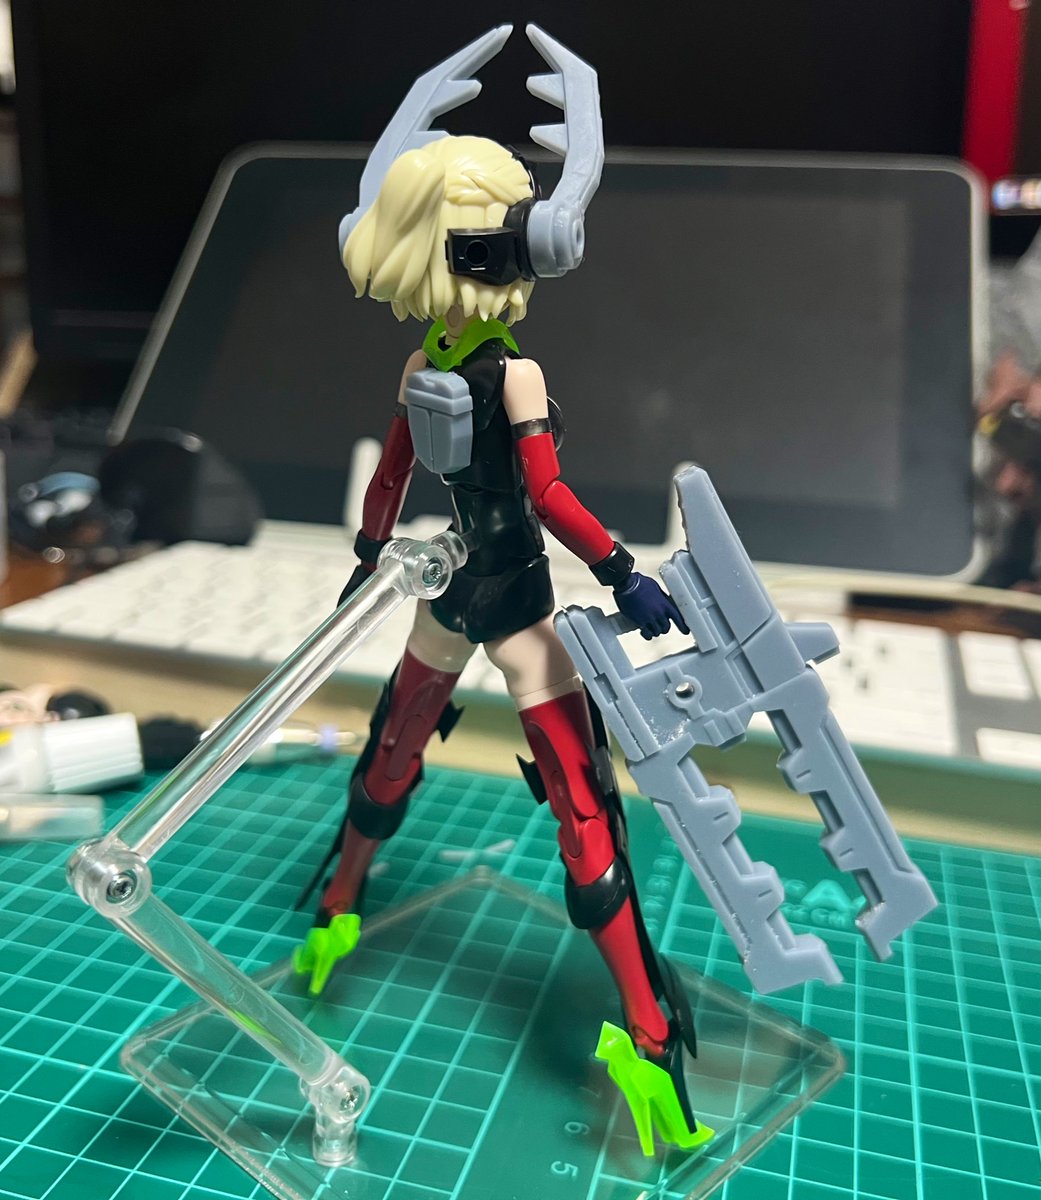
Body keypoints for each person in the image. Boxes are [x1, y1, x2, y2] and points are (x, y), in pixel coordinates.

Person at [295, 128, 704, 1142]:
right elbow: (538, 493)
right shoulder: (498, 374)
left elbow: (396, 477)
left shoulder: (433, 363)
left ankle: (340, 909)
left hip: (481, 591)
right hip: (492, 590)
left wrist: (371, 547)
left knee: (512, 782)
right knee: (538, 795)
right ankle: (643, 1028)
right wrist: (621, 571)